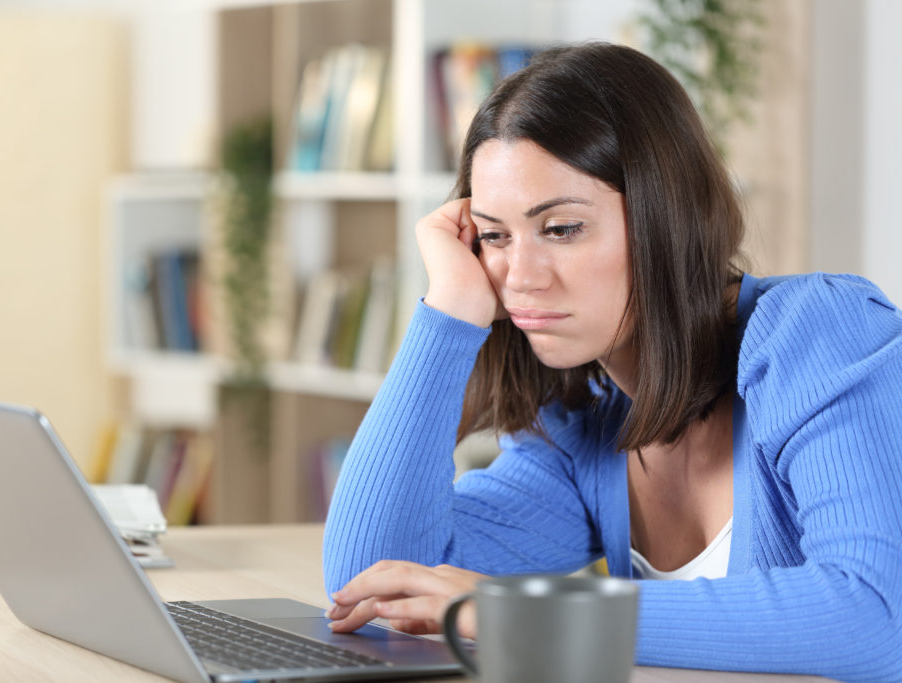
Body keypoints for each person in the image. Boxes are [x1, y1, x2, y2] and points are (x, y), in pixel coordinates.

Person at [320, 42, 902, 680]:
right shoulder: (584, 431)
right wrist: (449, 312)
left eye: (561, 229)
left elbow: (874, 616)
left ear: (665, 217)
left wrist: (516, 611)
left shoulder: (820, 332)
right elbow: (371, 589)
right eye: (494, 235)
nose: (519, 277)